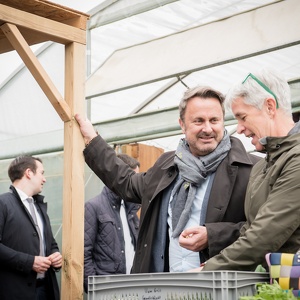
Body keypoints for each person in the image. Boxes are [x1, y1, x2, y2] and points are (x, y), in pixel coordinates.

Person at [75, 85, 260, 273]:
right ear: (182, 124)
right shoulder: (167, 165)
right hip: (165, 285)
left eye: (214, 120)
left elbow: (263, 232)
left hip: (218, 288)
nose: (207, 128)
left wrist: (213, 236)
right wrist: (92, 139)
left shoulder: (252, 170)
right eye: (198, 121)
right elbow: (128, 183)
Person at [200, 68, 300, 271]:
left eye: (242, 117)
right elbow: (250, 229)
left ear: (270, 107)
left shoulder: (296, 159)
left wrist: (209, 270)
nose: (239, 128)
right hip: (271, 282)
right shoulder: (262, 166)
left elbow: (266, 233)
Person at [0, 155, 62, 300]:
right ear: (29, 173)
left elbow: (51, 242)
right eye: (42, 173)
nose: (44, 179)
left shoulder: (39, 206)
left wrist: (55, 255)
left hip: (45, 290)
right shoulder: (3, 204)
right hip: (15, 292)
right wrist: (29, 262)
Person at [84, 153, 141, 293]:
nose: (136, 183)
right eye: (132, 178)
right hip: (108, 289)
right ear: (118, 175)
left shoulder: (131, 208)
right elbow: (84, 253)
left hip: (133, 287)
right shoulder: (93, 206)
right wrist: (94, 288)